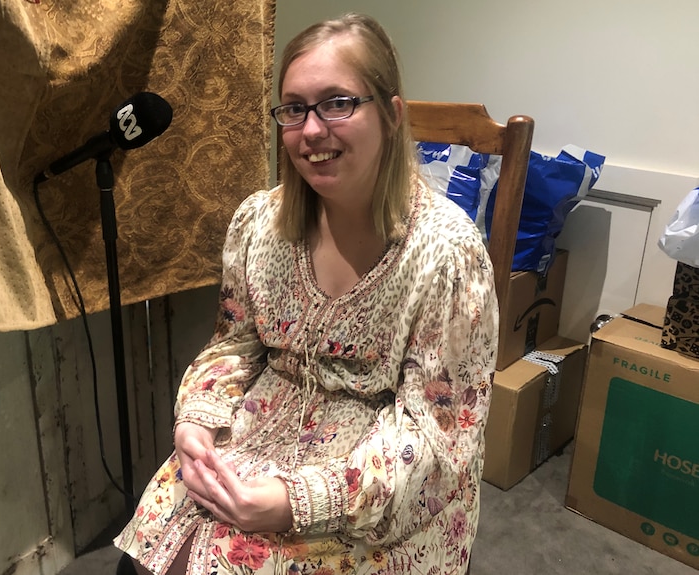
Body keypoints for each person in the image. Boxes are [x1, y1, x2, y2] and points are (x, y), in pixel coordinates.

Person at [114, 12, 497, 575]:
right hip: (255, 435)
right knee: (143, 563)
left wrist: (295, 502)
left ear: (391, 116)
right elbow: (234, 345)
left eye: (338, 103)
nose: (312, 130)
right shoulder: (260, 223)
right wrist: (196, 419)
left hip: (378, 484)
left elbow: (437, 443)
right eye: (295, 108)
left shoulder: (446, 254)